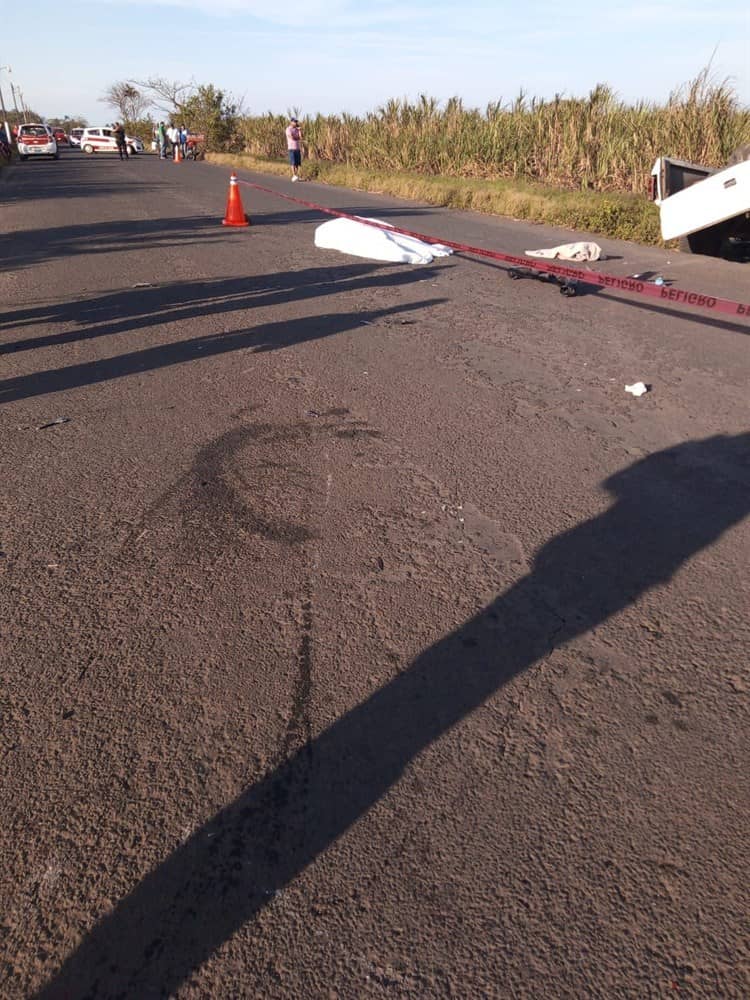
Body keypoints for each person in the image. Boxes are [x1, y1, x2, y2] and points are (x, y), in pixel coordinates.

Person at [285, 116, 303, 181]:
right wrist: (297, 137)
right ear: (291, 122)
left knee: (297, 163)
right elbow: (292, 138)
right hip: (291, 148)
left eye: (296, 122)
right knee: (293, 162)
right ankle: (293, 175)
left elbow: (301, 137)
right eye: (294, 122)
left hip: (297, 148)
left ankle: (296, 175)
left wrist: (299, 130)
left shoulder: (296, 129)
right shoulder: (288, 129)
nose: (296, 123)